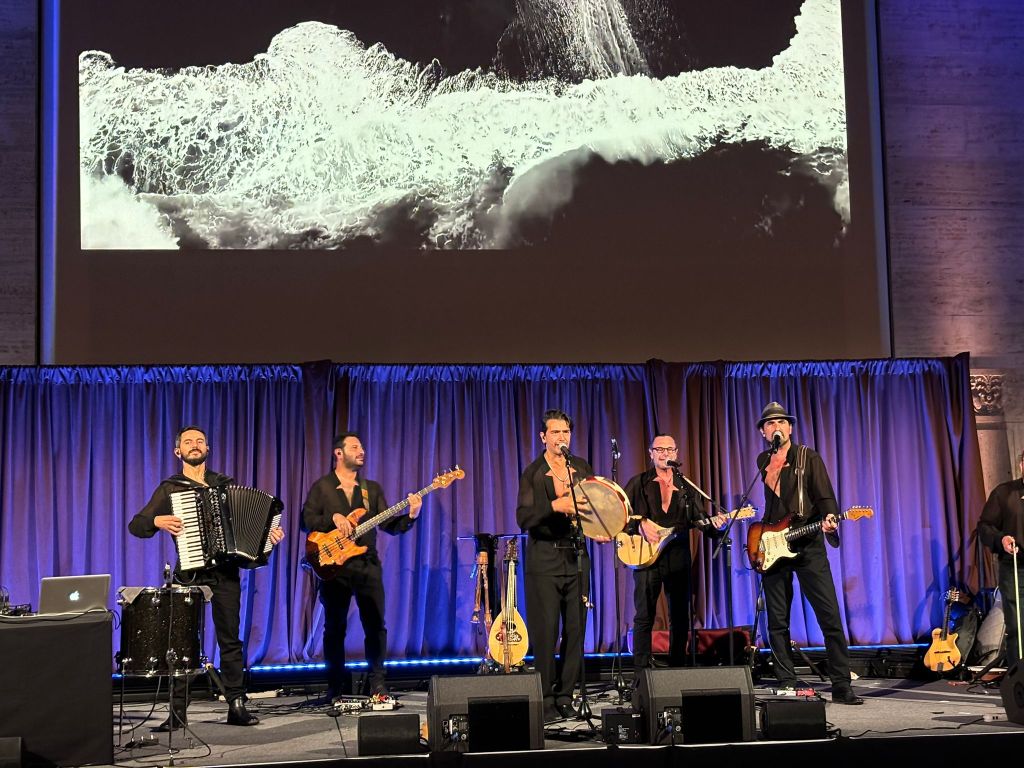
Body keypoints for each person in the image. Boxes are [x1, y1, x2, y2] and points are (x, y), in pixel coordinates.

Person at [128, 425, 286, 731]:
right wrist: (157, 520)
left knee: (230, 640)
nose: (195, 445)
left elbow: (248, 537)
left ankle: (236, 705)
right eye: (188, 441)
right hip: (190, 573)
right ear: (178, 451)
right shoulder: (170, 488)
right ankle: (177, 712)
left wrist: (268, 537)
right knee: (182, 643)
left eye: (200, 441)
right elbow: (137, 525)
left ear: (207, 449)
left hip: (225, 574)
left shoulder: (224, 485)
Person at [754, 401, 864, 705]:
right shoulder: (762, 460)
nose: (777, 427)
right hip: (775, 546)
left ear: (790, 428)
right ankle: (786, 680)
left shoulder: (807, 456)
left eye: (782, 422)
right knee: (777, 620)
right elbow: (773, 507)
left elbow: (825, 496)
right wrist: (762, 538)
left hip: (807, 543)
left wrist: (830, 519)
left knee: (829, 614)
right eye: (770, 423)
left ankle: (841, 684)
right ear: (763, 432)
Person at [301, 432, 421, 700]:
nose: (361, 451)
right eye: (355, 447)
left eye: (362, 447)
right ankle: (335, 687)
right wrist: (333, 517)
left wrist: (412, 515)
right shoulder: (322, 488)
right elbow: (306, 520)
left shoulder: (371, 490)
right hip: (334, 567)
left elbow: (389, 525)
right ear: (339, 453)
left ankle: (378, 684)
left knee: (375, 626)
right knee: (334, 628)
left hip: (367, 566)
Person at [516, 408, 597, 723]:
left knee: (576, 630)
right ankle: (546, 698)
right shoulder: (533, 472)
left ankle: (566, 695)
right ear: (543, 437)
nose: (561, 437)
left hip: (576, 557)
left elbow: (593, 505)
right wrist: (553, 505)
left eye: (566, 432)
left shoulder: (581, 467)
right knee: (546, 632)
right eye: (555, 432)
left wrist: (601, 530)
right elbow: (523, 517)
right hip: (545, 559)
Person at [623, 434, 727, 676]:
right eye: (659, 449)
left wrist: (717, 525)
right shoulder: (638, 483)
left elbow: (701, 520)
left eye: (669, 449)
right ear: (651, 453)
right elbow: (621, 515)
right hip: (646, 556)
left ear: (676, 453)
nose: (665, 454)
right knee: (644, 615)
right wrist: (639, 523)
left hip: (678, 556)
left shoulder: (686, 487)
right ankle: (640, 673)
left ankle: (677, 670)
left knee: (680, 616)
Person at [976, 449, 1024, 668]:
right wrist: (1000, 539)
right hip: (1015, 568)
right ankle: (1018, 678)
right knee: (1018, 627)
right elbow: (985, 526)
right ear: (1021, 465)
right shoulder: (1004, 493)